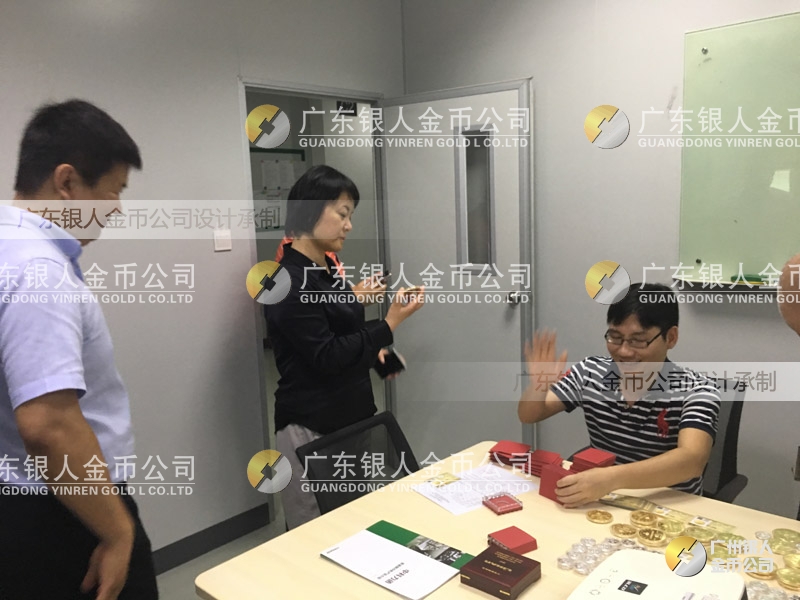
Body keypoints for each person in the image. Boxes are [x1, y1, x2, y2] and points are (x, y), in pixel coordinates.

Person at [0, 100, 158, 599]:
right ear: (66, 182)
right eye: (113, 191)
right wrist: (116, 531)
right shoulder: (38, 270)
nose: (117, 208)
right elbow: (48, 424)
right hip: (65, 515)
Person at [265, 165, 424, 529]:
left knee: (352, 524)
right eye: (342, 214)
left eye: (350, 215)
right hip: (310, 426)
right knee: (314, 533)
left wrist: (378, 356)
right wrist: (388, 324)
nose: (349, 226)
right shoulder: (286, 282)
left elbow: (342, 335)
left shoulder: (327, 272)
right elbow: (326, 356)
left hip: (352, 419)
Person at [518, 283, 721, 508]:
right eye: (615, 337)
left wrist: (611, 479)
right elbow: (530, 415)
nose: (624, 351)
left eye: (638, 340)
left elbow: (692, 460)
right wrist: (538, 386)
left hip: (668, 508)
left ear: (671, 337)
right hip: (601, 502)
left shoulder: (697, 390)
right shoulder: (590, 372)